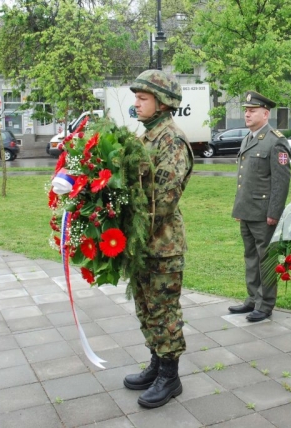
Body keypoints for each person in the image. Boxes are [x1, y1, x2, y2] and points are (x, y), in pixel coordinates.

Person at [122, 70, 194, 409]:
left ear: (163, 103)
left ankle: (170, 375)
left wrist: (127, 227)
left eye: (143, 98)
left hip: (162, 245)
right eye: (136, 97)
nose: (136, 103)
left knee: (164, 310)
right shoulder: (145, 137)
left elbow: (164, 201)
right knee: (146, 308)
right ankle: (155, 363)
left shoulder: (171, 141)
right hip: (141, 244)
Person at [229, 91, 291, 322]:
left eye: (252, 110)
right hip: (247, 211)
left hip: (264, 213)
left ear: (265, 114)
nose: (247, 113)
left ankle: (265, 304)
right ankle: (253, 298)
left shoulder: (276, 141)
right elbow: (244, 178)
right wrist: (240, 209)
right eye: (246, 110)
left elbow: (281, 181)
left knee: (265, 259)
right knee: (250, 257)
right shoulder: (248, 138)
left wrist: (274, 213)